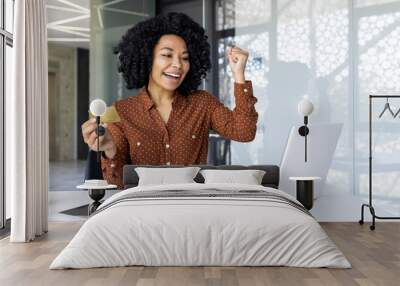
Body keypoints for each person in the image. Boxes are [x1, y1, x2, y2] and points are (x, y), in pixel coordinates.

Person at [81, 12, 258, 189]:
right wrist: (110, 149)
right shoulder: (122, 111)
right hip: (143, 209)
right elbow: (117, 183)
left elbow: (244, 132)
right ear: (148, 57)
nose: (178, 65)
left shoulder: (202, 104)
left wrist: (239, 75)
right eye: (167, 55)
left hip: (190, 208)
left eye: (185, 58)